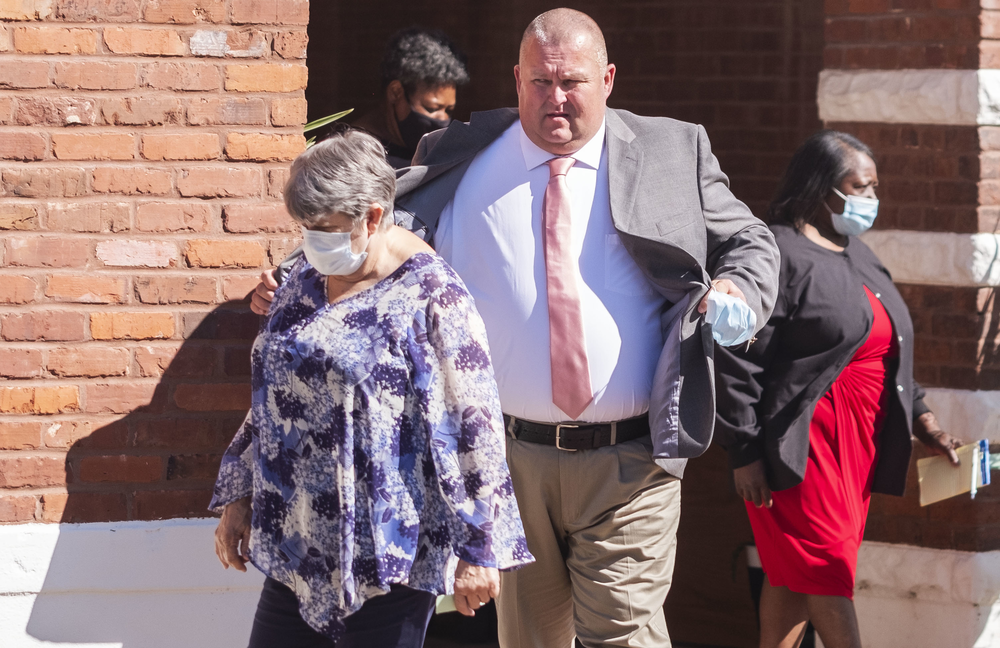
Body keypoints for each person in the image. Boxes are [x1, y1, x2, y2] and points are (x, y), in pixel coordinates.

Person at [255, 9, 780, 647]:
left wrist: (737, 289)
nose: (555, 98)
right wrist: (297, 274)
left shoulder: (672, 150)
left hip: (631, 460)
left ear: (608, 79)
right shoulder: (457, 155)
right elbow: (378, 228)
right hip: (508, 462)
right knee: (529, 640)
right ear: (516, 79)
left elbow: (750, 241)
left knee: (622, 634)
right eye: (539, 82)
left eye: (573, 83)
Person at [211, 130, 533, 648]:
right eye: (305, 226)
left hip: (388, 557)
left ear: (374, 216)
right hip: (295, 544)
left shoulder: (432, 298)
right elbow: (274, 392)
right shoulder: (305, 279)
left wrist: (480, 548)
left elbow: (474, 426)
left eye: (326, 227)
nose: (313, 238)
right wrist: (241, 494)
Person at [714, 130, 963, 648]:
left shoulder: (860, 255)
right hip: (803, 450)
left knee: (793, 580)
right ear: (823, 188)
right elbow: (738, 359)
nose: (870, 199)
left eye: (874, 186)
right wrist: (743, 452)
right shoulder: (780, 251)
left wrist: (925, 420)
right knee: (826, 573)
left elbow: (889, 351)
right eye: (859, 186)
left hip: (857, 451)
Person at [351, 27, 470, 168]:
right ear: (396, 92)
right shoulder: (353, 153)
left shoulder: (436, 153)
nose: (442, 119)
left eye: (448, 110)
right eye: (431, 108)